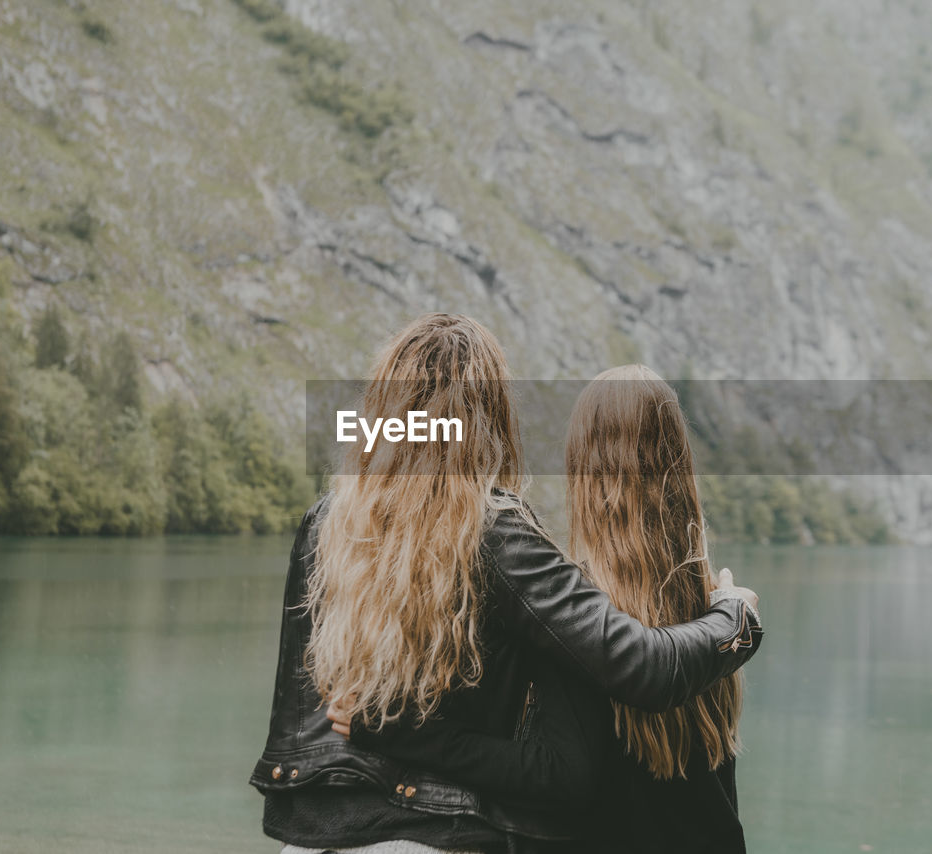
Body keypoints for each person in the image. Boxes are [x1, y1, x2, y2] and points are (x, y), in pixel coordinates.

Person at [249, 315, 762, 853]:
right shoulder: (498, 535)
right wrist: (737, 619)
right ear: (489, 417)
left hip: (311, 840)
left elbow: (310, 712)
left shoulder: (325, 525)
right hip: (433, 840)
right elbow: (640, 675)